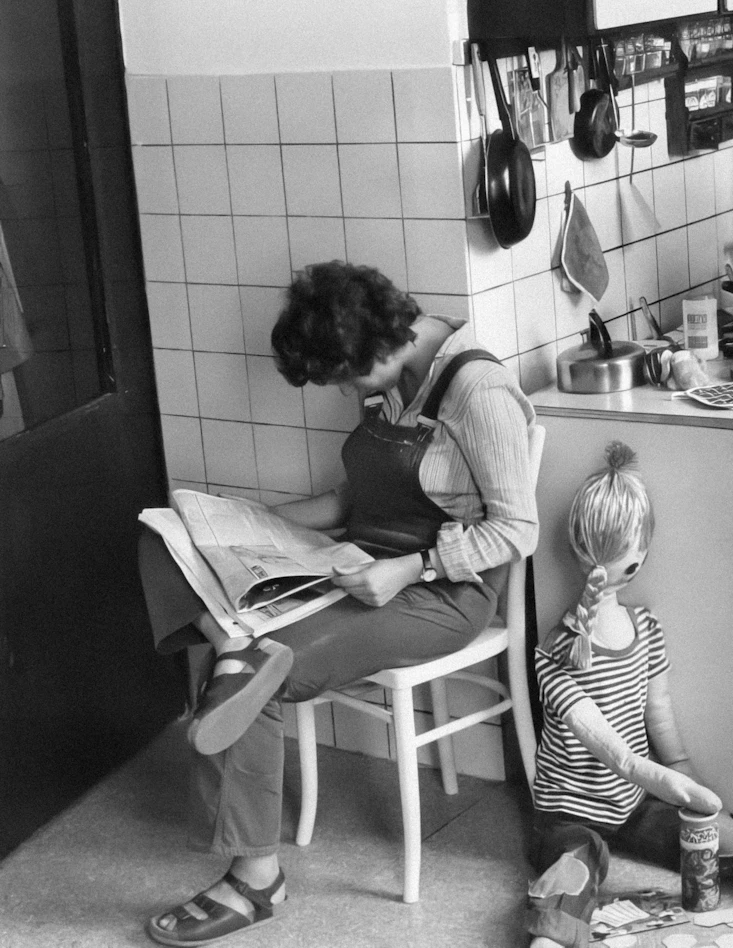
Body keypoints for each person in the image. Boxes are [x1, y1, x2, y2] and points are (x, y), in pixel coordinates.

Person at [138, 260, 539, 946]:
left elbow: (517, 530)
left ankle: (255, 880)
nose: (349, 391)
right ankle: (233, 645)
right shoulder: (387, 380)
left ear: (378, 345)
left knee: (256, 678)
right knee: (162, 539)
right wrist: (234, 524)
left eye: (349, 377)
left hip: (442, 593)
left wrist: (411, 568)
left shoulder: (479, 389)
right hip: (353, 565)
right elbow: (346, 505)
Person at [527, 443, 733, 948]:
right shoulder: (553, 655)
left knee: (719, 839)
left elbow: (659, 721)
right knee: (573, 867)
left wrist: (695, 788)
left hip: (635, 803)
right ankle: (550, 939)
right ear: (636, 556)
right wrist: (679, 787)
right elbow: (614, 753)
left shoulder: (645, 628)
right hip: (568, 812)